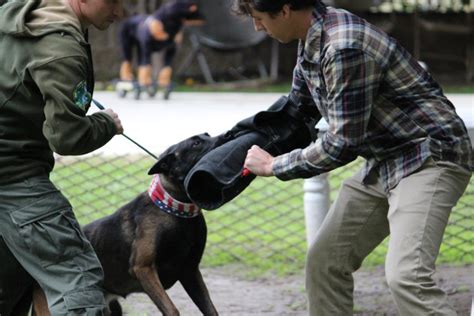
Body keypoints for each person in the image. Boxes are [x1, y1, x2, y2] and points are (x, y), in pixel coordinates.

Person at [236, 0, 473, 315]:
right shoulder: (312, 39)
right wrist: (230, 146)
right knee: (324, 262)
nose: (257, 27)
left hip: (429, 156)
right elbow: (297, 109)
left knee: (407, 277)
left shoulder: (343, 46)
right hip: (385, 159)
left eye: (260, 18)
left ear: (285, 9)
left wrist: (272, 165)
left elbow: (342, 143)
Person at [0, 0, 124, 314]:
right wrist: (106, 124)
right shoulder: (59, 46)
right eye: (114, 1)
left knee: (9, 285)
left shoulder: (14, 14)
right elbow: (67, 137)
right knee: (76, 281)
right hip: (14, 177)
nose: (119, 11)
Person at [118, 0, 204, 98]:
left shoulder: (178, 21)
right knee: (133, 56)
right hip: (136, 29)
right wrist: (159, 31)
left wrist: (176, 32)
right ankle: (128, 76)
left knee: (166, 55)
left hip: (165, 32)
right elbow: (159, 19)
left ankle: (162, 79)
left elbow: (200, 19)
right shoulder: (168, 12)